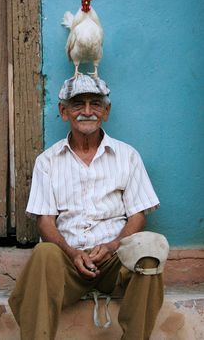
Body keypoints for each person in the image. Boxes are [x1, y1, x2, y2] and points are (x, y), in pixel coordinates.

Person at [9, 75, 164, 340]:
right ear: (63, 111)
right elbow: (45, 222)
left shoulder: (127, 156)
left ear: (107, 111)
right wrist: (71, 253)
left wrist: (113, 246)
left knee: (149, 248)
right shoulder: (48, 161)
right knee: (44, 253)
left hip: (115, 260)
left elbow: (137, 216)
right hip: (67, 263)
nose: (87, 111)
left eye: (95, 103)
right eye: (78, 104)